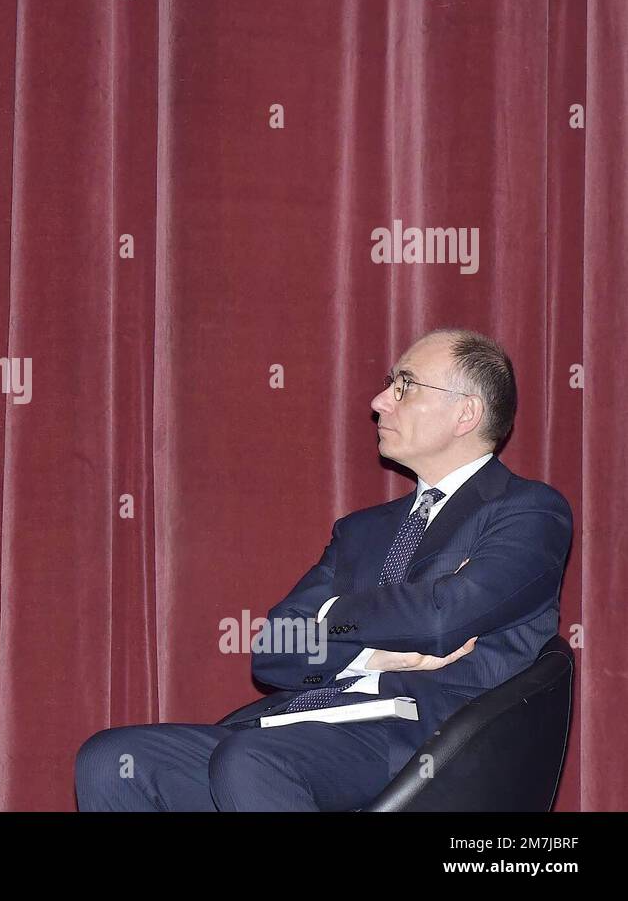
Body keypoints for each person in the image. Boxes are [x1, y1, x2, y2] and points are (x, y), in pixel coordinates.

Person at [75, 328, 572, 811]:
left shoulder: (526, 510)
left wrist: (331, 616)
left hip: (425, 740)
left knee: (251, 762)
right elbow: (273, 652)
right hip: (302, 724)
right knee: (111, 759)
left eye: (405, 385)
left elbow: (445, 619)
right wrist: (374, 655)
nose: (380, 401)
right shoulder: (362, 531)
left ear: (466, 413)